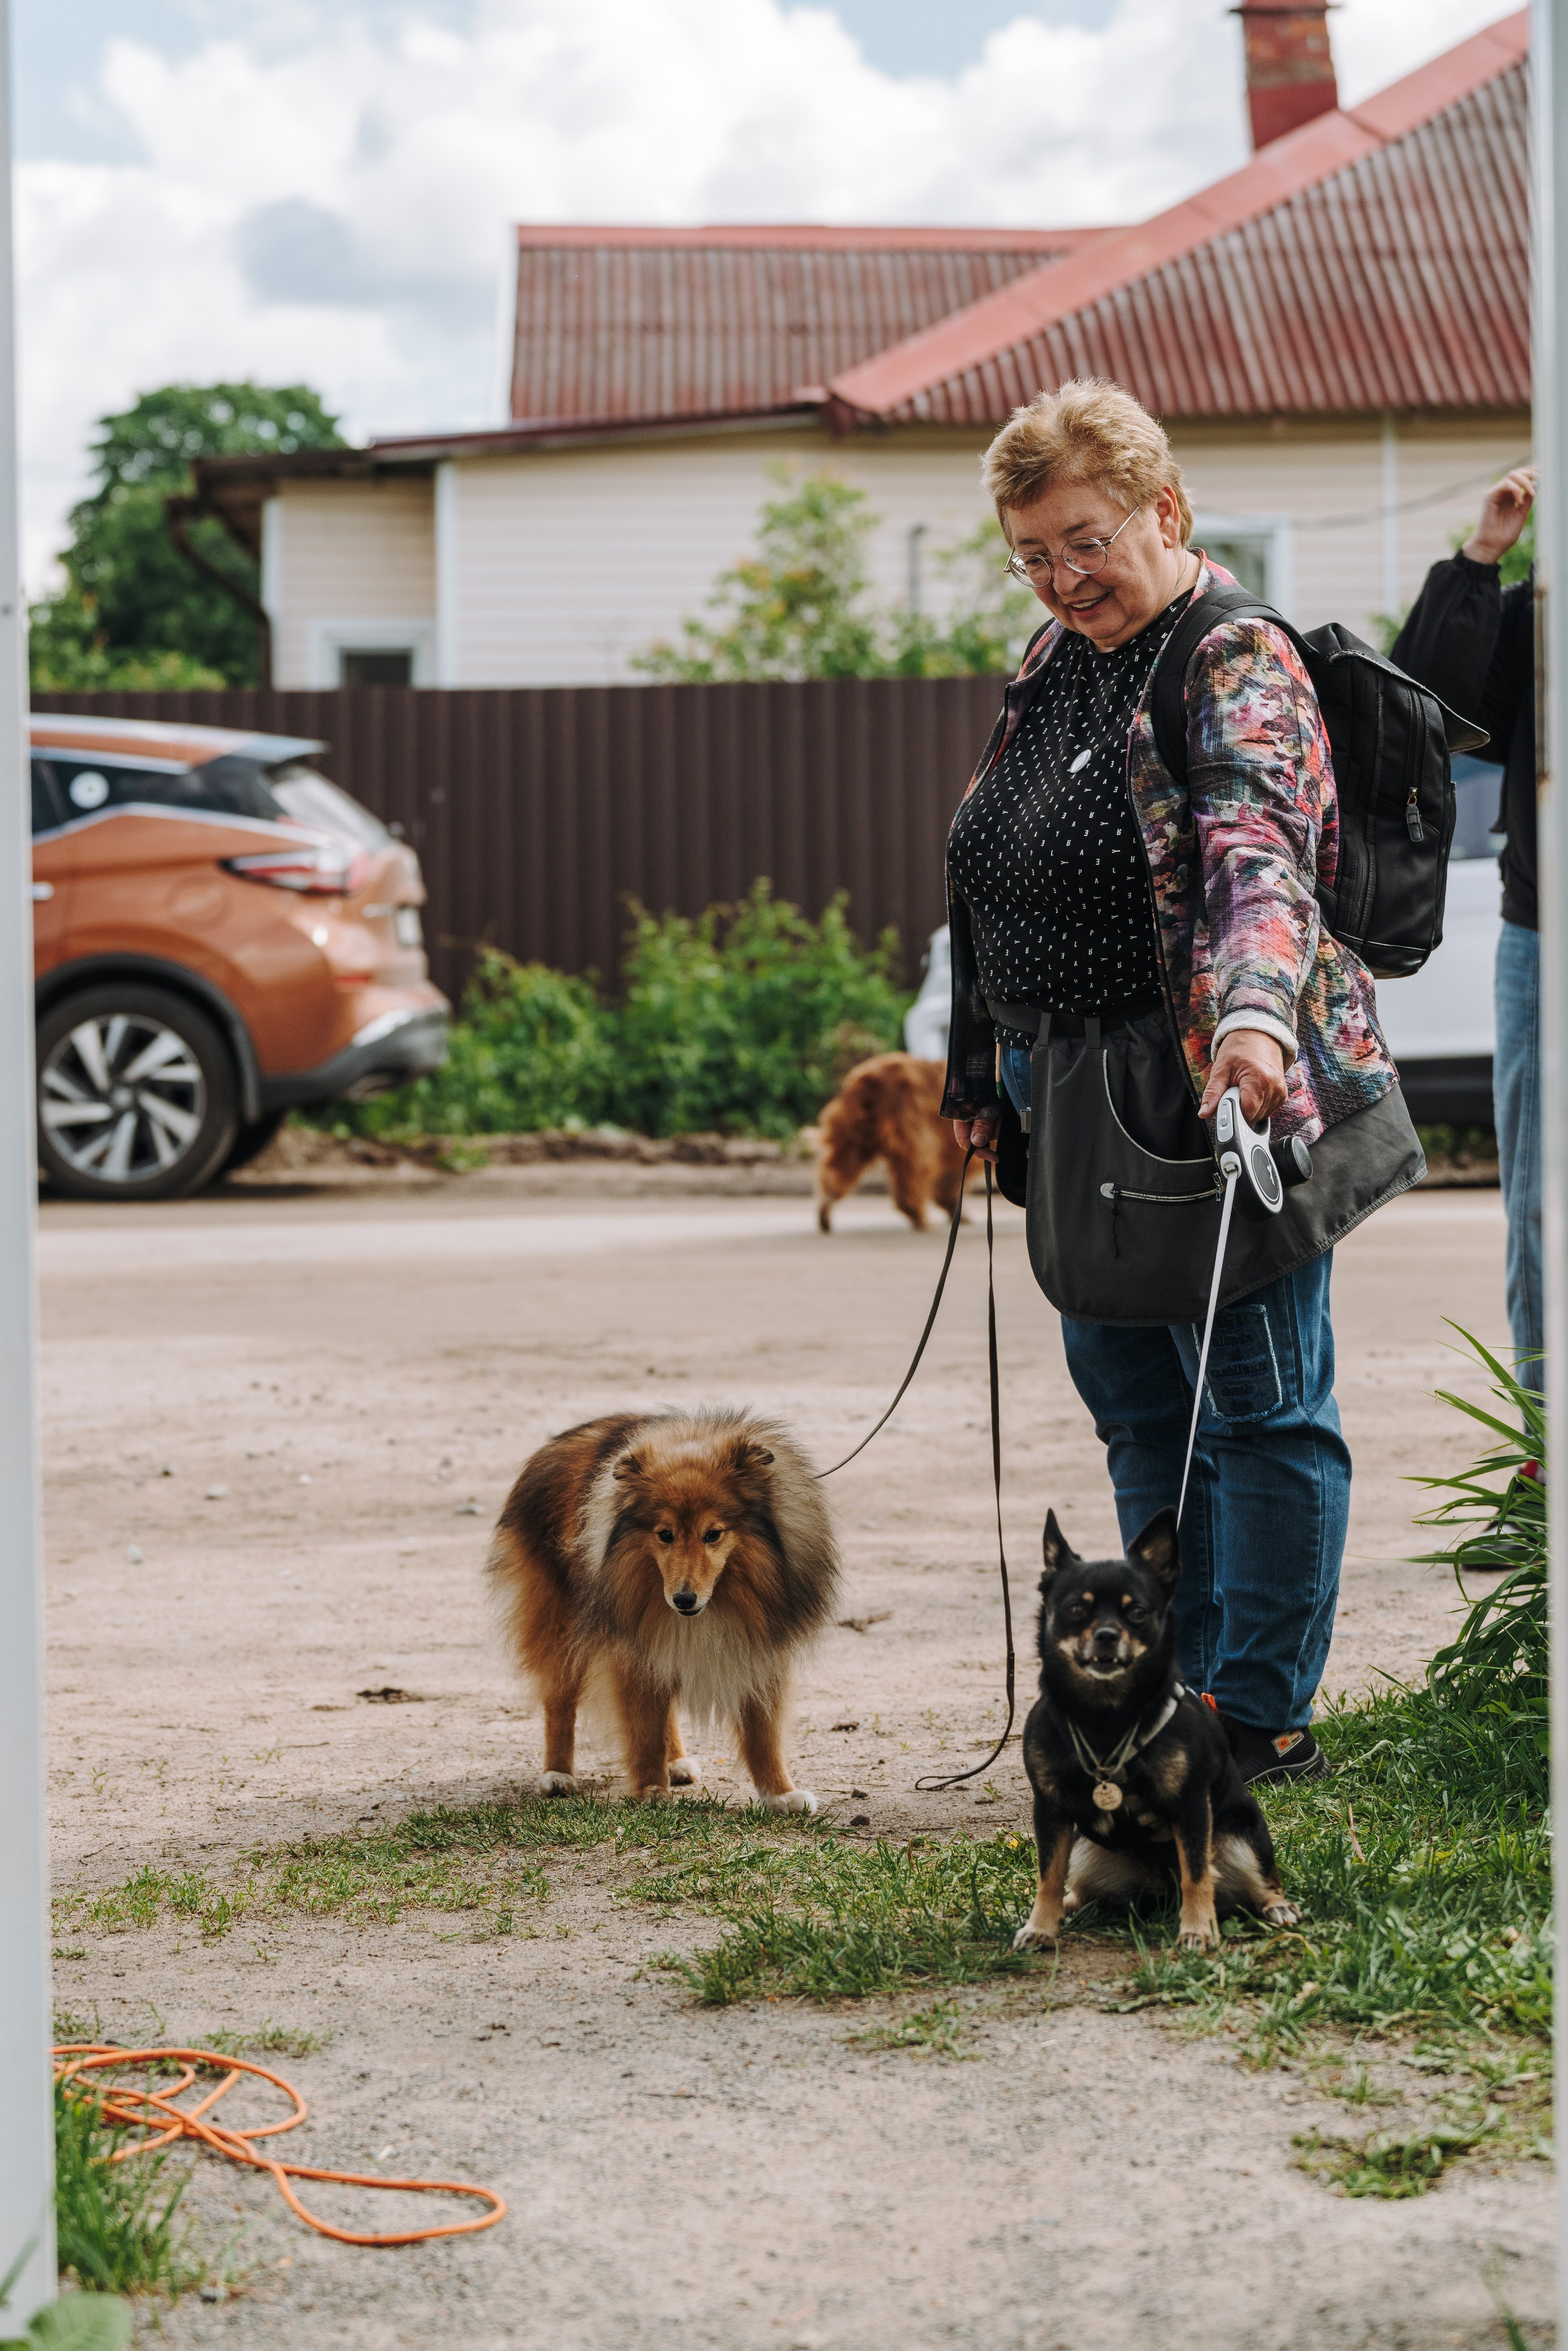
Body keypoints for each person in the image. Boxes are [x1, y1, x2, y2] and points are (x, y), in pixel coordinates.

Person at [943, 379, 1422, 1786]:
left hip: (1212, 1087)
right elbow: (986, 866)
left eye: (1084, 540)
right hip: (1070, 1082)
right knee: (1139, 1401)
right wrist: (980, 1061)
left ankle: (1258, 1716)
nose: (1061, 575)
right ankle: (1177, 1693)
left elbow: (1254, 854)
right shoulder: (1053, 656)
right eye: (1032, 552)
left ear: (1166, 509)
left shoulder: (1230, 655)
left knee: (1257, 1405)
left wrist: (1254, 1028)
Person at [1391, 469, 1540, 1387]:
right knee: (1536, 1202)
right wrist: (1482, 556)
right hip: (1541, 938)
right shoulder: (1536, 619)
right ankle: (1544, 1452)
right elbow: (1423, 710)